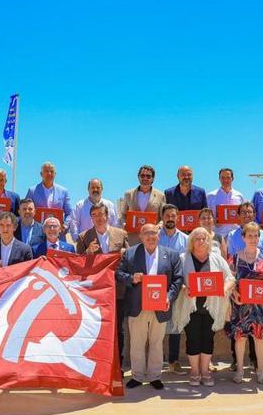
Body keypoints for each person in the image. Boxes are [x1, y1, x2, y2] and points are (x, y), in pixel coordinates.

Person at [116, 223, 183, 389]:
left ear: (159, 236)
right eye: (147, 233)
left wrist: (169, 297)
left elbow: (178, 279)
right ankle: (137, 376)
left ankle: (154, 376)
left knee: (156, 343)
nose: (151, 236)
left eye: (154, 233)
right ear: (140, 236)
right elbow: (118, 274)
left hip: (160, 306)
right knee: (137, 343)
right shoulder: (130, 253)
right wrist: (132, 278)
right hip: (137, 305)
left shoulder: (172, 255)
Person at [171, 227, 234, 387]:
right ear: (191, 241)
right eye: (197, 238)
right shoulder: (183, 258)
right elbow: (176, 279)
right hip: (190, 307)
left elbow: (230, 278)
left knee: (208, 339)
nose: (201, 241)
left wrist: (224, 289)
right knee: (192, 339)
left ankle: (205, 372)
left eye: (204, 238)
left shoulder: (217, 258)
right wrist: (185, 289)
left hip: (211, 307)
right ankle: (194, 371)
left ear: (209, 241)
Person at [76, 202, 129, 362]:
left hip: (117, 289)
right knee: (95, 328)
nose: (99, 218)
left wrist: (125, 253)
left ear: (107, 216)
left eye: (101, 214)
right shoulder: (84, 237)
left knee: (117, 328)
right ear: (91, 218)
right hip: (95, 292)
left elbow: (129, 261)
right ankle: (97, 361)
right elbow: (77, 265)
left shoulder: (121, 234)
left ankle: (117, 363)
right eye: (95, 215)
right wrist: (87, 253)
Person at [228, 222, 263, 384]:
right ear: (243, 237)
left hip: (261, 306)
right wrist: (234, 293)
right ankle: (240, 371)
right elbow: (230, 279)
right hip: (241, 305)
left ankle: (260, 371)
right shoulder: (235, 257)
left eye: (256, 236)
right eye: (250, 236)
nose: (253, 239)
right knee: (240, 338)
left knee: (259, 338)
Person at [157, 204, 188, 374]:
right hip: (158, 285)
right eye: (167, 215)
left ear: (177, 218)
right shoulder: (156, 236)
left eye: (173, 215)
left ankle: (173, 360)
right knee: (156, 324)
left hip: (178, 285)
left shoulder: (185, 239)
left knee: (175, 325)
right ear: (162, 217)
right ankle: (156, 360)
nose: (170, 218)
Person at [118, 165, 167, 245]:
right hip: (132, 238)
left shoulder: (160, 195)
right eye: (142, 175)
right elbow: (123, 214)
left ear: (153, 179)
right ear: (138, 177)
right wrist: (124, 223)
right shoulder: (128, 194)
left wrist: (157, 227)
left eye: (148, 176)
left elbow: (163, 217)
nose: (145, 178)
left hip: (152, 237)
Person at [25, 161, 72, 226]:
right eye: (46, 171)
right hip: (37, 233)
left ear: (55, 174)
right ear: (41, 174)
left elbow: (69, 213)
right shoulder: (32, 191)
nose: (49, 174)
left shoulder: (63, 191)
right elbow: (26, 211)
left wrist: (65, 225)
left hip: (57, 233)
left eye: (52, 171)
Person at [207, 167, 245, 240]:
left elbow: (242, 215)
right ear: (219, 179)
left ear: (232, 178)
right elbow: (207, 216)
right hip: (218, 235)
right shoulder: (211, 196)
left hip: (236, 235)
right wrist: (214, 221)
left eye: (228, 177)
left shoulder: (239, 196)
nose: (225, 180)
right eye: (222, 177)